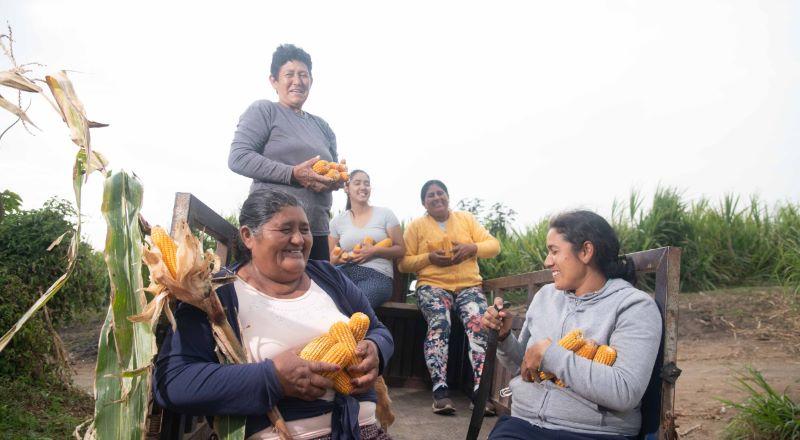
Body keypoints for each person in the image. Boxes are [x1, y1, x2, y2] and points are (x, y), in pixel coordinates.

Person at [154, 189, 394, 440]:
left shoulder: (328, 276)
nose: (299, 240)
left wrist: (376, 349)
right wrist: (273, 379)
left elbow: (378, 330)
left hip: (364, 431)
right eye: (286, 229)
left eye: (304, 229)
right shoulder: (214, 295)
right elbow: (174, 381)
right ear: (248, 236)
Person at [481, 210, 662, 440]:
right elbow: (523, 368)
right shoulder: (545, 296)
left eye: (554, 251)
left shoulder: (634, 306)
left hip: (590, 433)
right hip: (522, 424)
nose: (547, 261)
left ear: (586, 251)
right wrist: (504, 339)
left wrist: (551, 354)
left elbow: (624, 391)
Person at [228, 43, 340, 261]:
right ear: (274, 80)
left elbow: (332, 169)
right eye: (289, 74)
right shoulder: (265, 111)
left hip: (315, 230)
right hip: (272, 227)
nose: (297, 81)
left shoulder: (322, 126)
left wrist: (334, 181)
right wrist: (293, 174)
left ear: (311, 81)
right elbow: (238, 157)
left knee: (317, 292)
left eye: (303, 75)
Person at [398, 179, 500, 415]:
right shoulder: (415, 227)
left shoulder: (466, 219)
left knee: (479, 325)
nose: (436, 198)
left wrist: (471, 248)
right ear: (424, 203)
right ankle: (440, 391)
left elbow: (493, 246)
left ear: (447, 196)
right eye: (430, 195)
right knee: (440, 323)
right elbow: (404, 263)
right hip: (432, 286)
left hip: (468, 286)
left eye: (440, 193)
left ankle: (479, 392)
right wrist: (429, 258)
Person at [329, 170, 405, 309]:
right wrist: (335, 260)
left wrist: (374, 251)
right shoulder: (337, 221)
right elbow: (331, 258)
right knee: (324, 299)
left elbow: (401, 250)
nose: (363, 187)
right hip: (345, 272)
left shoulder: (385, 214)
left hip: (378, 275)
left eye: (367, 184)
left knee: (356, 307)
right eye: (357, 183)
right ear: (347, 188)